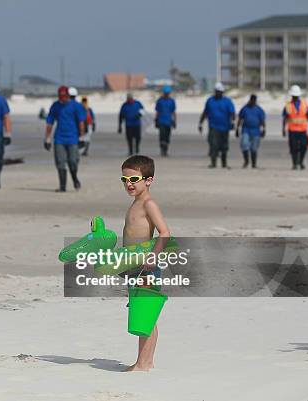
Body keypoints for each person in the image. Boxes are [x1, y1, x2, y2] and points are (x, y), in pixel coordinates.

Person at [119, 155, 170, 372]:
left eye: (134, 179)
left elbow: (165, 232)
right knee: (141, 314)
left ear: (148, 180)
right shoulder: (135, 203)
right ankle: (143, 361)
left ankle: (145, 363)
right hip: (134, 267)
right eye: (124, 179)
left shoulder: (148, 204)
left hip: (147, 267)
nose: (128, 184)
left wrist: (154, 256)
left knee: (146, 315)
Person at [45, 86, 85, 192]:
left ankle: (75, 178)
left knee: (73, 161)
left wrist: (82, 137)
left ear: (68, 95)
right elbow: (50, 122)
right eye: (60, 96)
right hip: (59, 139)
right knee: (60, 162)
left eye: (64, 96)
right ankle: (62, 186)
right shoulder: (55, 106)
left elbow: (81, 122)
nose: (62, 98)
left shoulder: (76, 106)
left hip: (73, 138)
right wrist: (47, 139)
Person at [198, 82, 235, 168]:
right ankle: (213, 163)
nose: (219, 93)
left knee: (224, 146)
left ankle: (224, 163)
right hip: (213, 127)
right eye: (218, 91)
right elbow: (205, 112)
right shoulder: (210, 101)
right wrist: (200, 123)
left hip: (225, 127)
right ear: (215, 91)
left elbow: (232, 113)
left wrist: (233, 122)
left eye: (221, 91)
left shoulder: (228, 101)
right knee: (213, 145)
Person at [282, 85, 308, 170]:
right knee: (293, 147)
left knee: (304, 147)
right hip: (292, 130)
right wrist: (283, 129)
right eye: (294, 96)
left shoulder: (304, 104)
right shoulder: (288, 105)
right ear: (292, 96)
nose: (295, 97)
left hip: (302, 130)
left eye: (296, 96)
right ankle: (294, 163)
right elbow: (285, 118)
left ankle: (301, 162)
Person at [236, 94, 266, 168]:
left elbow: (262, 121)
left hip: (256, 131)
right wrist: (237, 128)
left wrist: (264, 129)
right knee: (244, 145)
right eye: (251, 100)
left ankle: (254, 164)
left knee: (254, 148)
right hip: (246, 130)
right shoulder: (245, 109)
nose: (252, 102)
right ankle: (246, 161)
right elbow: (240, 119)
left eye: (254, 100)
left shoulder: (259, 110)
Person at [154, 86, 176, 156]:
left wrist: (174, 121)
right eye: (165, 93)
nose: (166, 94)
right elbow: (157, 111)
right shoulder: (159, 101)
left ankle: (166, 150)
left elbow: (173, 112)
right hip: (161, 122)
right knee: (162, 136)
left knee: (167, 137)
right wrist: (156, 120)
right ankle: (162, 150)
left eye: (168, 93)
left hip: (168, 122)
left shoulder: (172, 101)